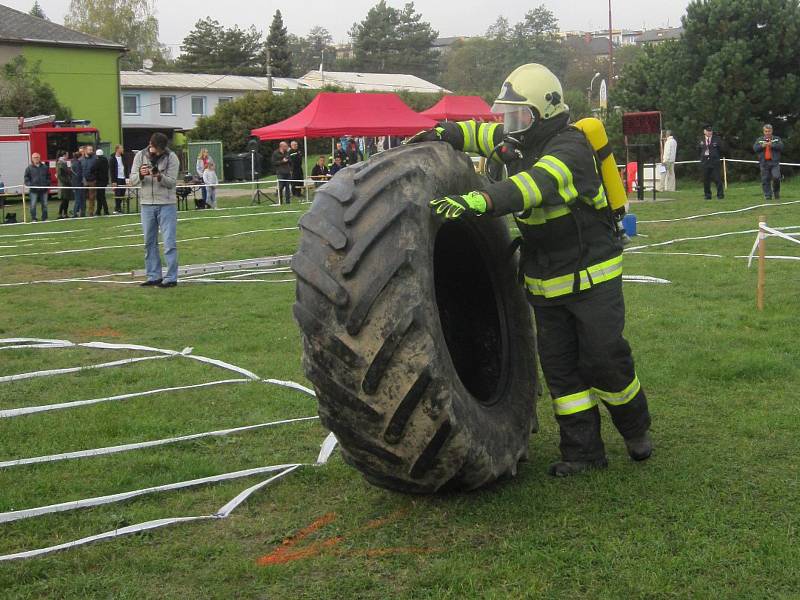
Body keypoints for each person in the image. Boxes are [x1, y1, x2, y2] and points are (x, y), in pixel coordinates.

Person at [408, 63, 652, 477]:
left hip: (591, 277)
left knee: (604, 360)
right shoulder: (517, 137)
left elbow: (536, 185)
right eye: (507, 116)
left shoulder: (571, 149)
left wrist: (481, 201)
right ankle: (582, 453)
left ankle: (635, 428)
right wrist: (446, 133)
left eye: (519, 117)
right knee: (561, 372)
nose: (510, 126)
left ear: (545, 113)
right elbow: (481, 134)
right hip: (545, 280)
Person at [130, 132, 180, 287]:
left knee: (169, 242)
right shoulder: (140, 156)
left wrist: (159, 176)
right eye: (156, 148)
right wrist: (141, 174)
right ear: (150, 144)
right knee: (149, 242)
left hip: (166, 204)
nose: (158, 152)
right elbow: (132, 180)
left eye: (161, 149)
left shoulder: (172, 157)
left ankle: (171, 278)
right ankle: (153, 276)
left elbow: (171, 182)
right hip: (146, 205)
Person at [753, 124, 784, 200]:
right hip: (764, 162)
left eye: (769, 131)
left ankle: (776, 193)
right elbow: (755, 148)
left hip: (774, 162)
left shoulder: (776, 139)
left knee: (776, 177)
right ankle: (768, 195)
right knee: (765, 179)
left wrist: (772, 145)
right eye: (766, 131)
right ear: (764, 132)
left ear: (772, 131)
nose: (767, 133)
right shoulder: (760, 139)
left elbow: (781, 147)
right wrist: (761, 146)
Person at [697, 125, 724, 200]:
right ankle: (707, 195)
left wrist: (715, 156)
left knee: (717, 179)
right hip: (705, 162)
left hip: (714, 161)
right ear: (704, 131)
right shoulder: (700, 139)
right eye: (708, 131)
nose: (709, 132)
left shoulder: (717, 139)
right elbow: (698, 150)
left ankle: (720, 195)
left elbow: (721, 149)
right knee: (706, 179)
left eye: (711, 131)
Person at [23, 152, 50, 221]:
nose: (36, 159)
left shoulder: (45, 167)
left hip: (44, 190)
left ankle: (45, 218)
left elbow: (49, 177)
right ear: (32, 159)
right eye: (34, 157)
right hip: (33, 190)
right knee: (33, 205)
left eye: (37, 157)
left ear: (40, 158)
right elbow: (26, 178)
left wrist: (47, 183)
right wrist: (30, 185)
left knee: (45, 205)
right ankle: (34, 218)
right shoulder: (28, 168)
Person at [110, 145, 128, 214]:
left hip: (123, 178)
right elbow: (112, 171)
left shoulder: (123, 157)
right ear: (117, 149)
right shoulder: (112, 158)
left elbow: (126, 168)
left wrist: (127, 178)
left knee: (122, 193)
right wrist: (113, 181)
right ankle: (117, 209)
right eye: (121, 148)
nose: (123, 149)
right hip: (117, 179)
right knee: (118, 193)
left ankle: (119, 208)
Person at [92, 148, 110, 215]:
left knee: (101, 196)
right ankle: (98, 211)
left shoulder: (98, 161)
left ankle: (106, 211)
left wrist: (95, 174)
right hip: (105, 181)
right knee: (100, 196)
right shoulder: (106, 161)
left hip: (99, 181)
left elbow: (92, 169)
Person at [56, 150, 72, 218]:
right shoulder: (60, 163)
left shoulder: (64, 162)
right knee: (64, 200)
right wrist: (66, 181)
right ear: (64, 155)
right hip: (63, 184)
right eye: (67, 155)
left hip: (66, 184)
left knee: (66, 199)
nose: (68, 156)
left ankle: (65, 213)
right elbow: (59, 175)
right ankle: (60, 214)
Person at [83, 144, 97, 215]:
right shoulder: (81, 159)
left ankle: (91, 212)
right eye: (89, 150)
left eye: (92, 150)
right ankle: (82, 212)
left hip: (92, 181)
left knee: (92, 198)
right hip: (83, 181)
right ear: (85, 150)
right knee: (82, 197)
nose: (91, 151)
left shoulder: (95, 159)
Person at [71, 148, 85, 217]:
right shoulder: (78, 164)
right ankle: (75, 213)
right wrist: (82, 181)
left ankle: (80, 212)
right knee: (78, 199)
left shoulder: (73, 162)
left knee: (79, 199)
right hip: (78, 183)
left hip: (75, 183)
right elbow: (79, 174)